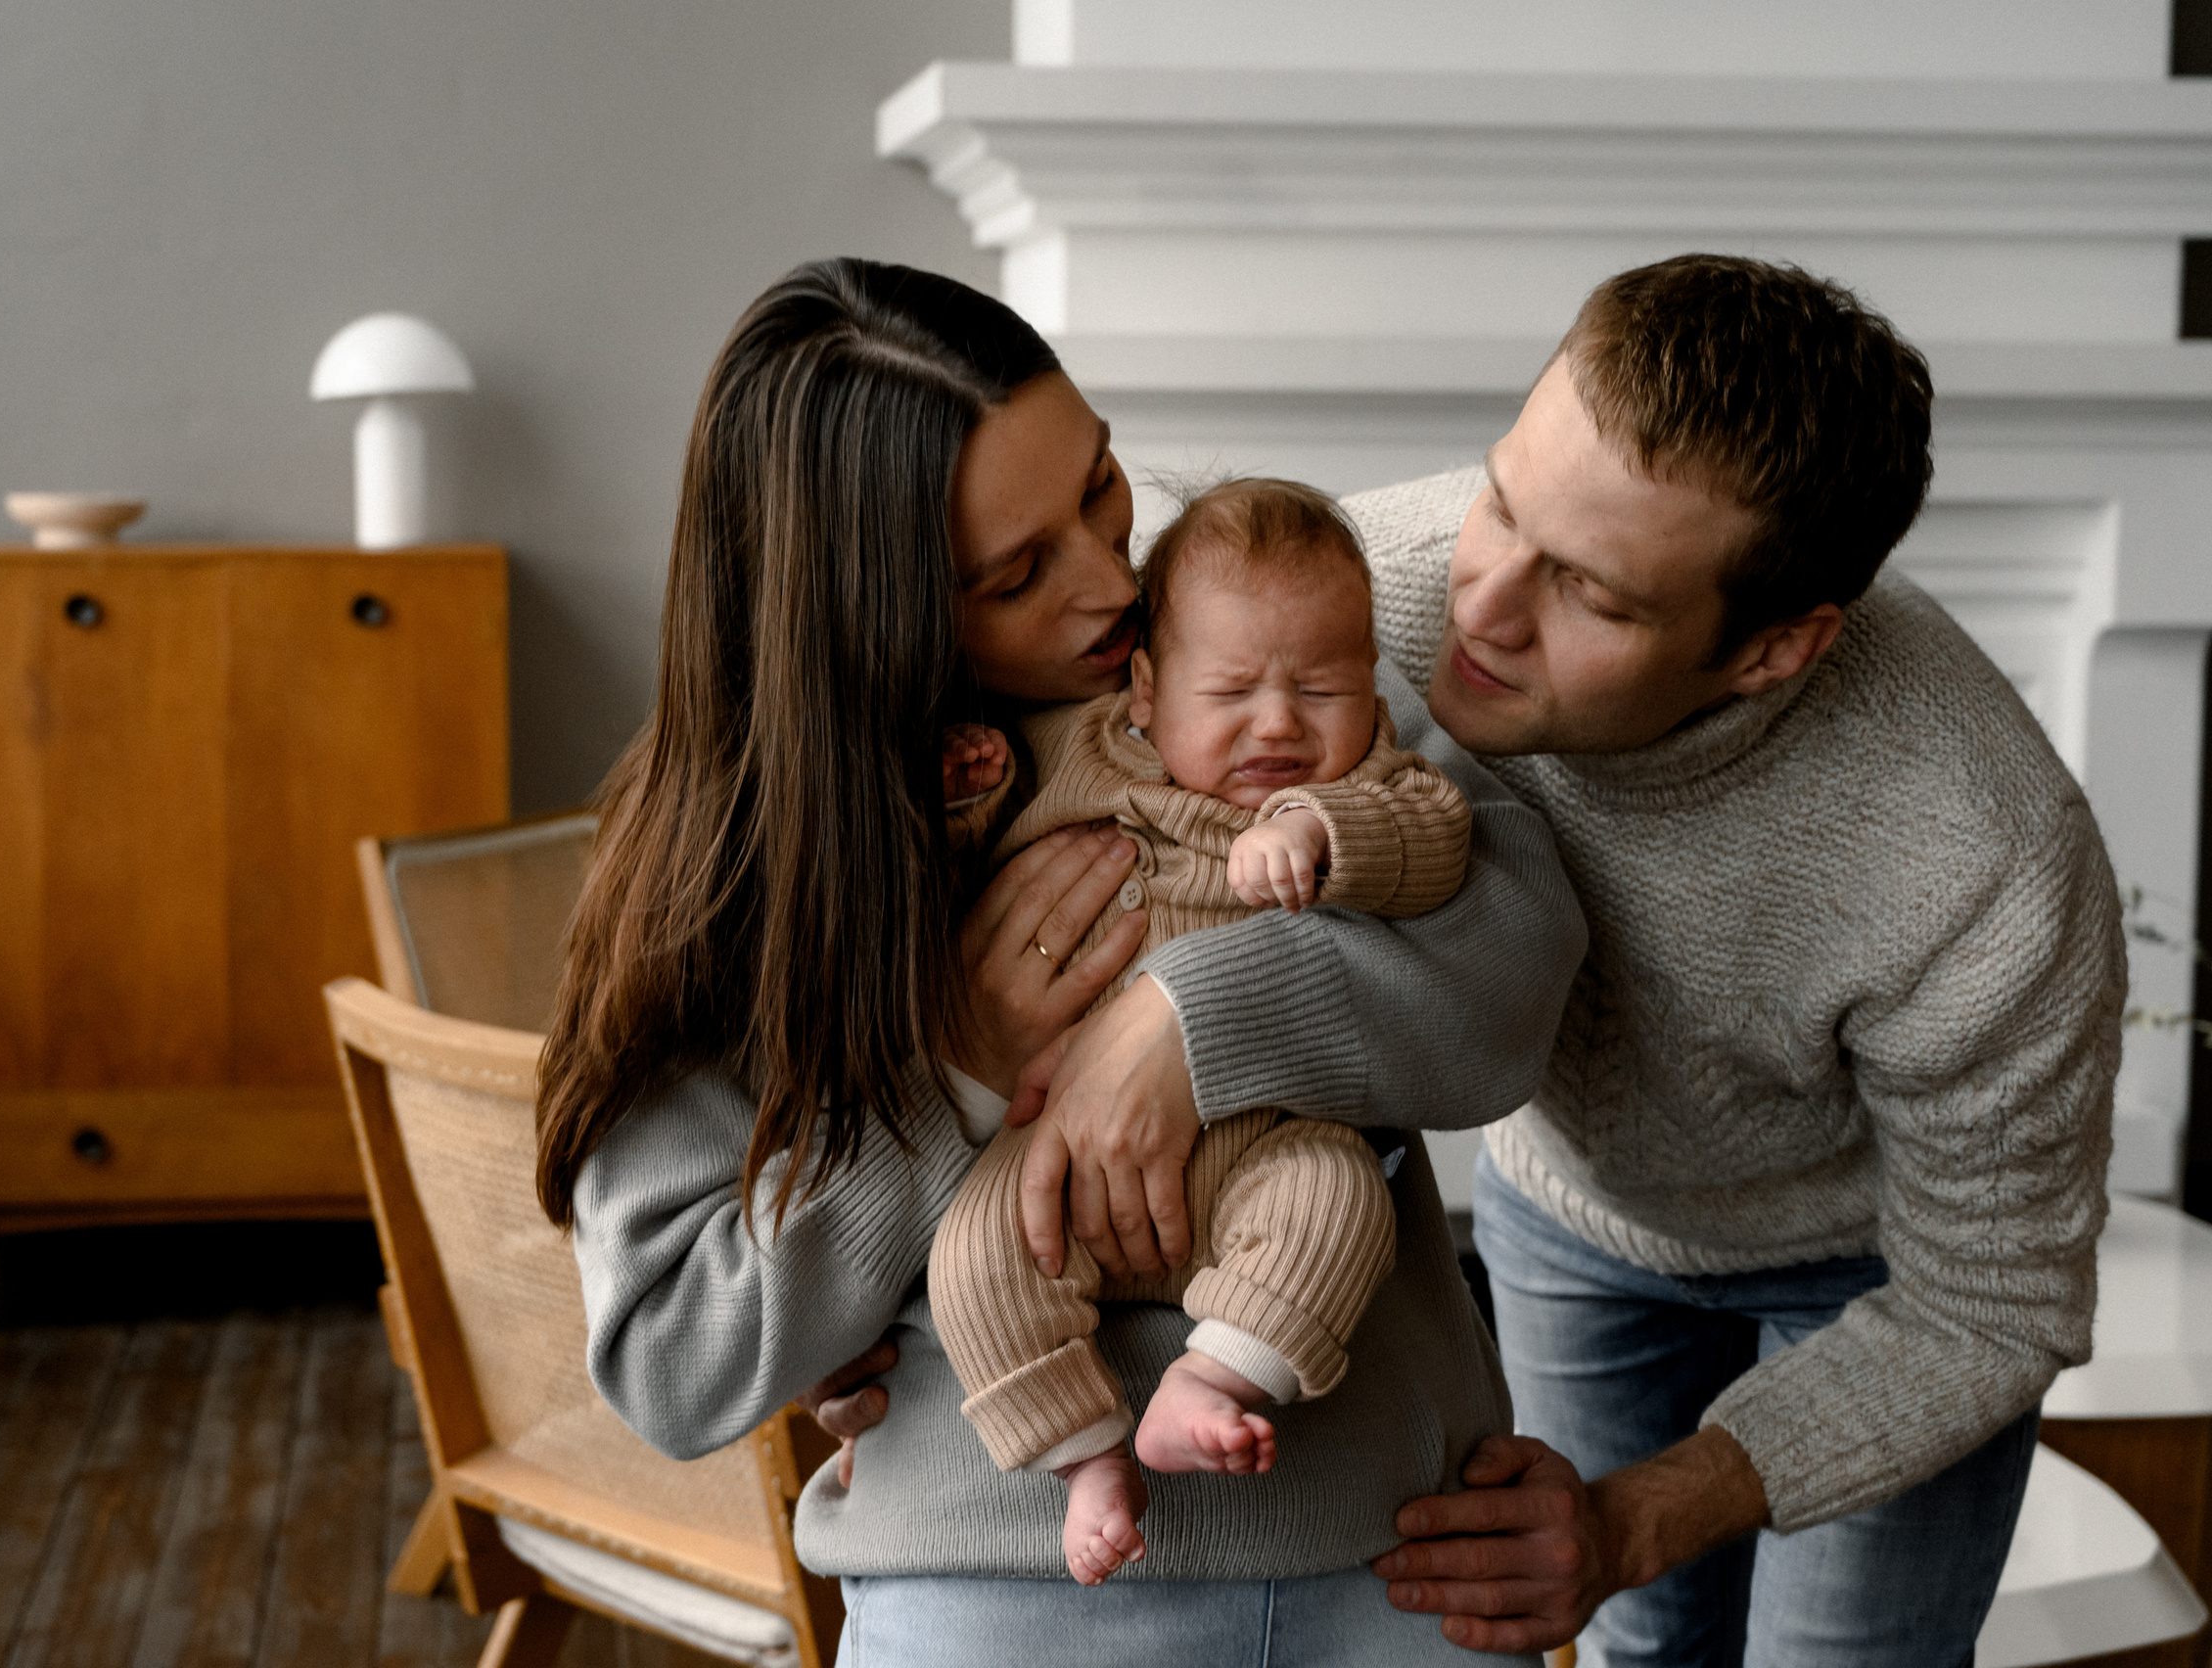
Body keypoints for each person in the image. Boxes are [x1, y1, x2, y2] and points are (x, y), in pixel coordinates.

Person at [535, 257, 1587, 1667]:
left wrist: (1182, 1019)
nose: (1112, 588)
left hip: (1396, 1562)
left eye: (1101, 487)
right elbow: (679, 1360)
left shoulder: (1267, 668)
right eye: (1019, 571)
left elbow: (1517, 984)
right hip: (1005, 1587)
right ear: (875, 612)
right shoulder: (743, 865)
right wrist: (962, 1071)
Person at [1322, 255, 2122, 1665]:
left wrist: (1636, 1520)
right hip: (1574, 1219)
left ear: (1774, 650)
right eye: (1502, 496)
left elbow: (1992, 1301)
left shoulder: (1983, 852)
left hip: (1878, 1281)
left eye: (1591, 593)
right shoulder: (1372, 588)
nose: (1484, 605)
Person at [929, 478, 1471, 1587]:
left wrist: (1325, 827)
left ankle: (1214, 1381)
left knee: (1338, 1206)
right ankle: (1085, 1459)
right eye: (1230, 691)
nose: (1278, 723)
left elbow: (1438, 835)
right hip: (1057, 1158)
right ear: (1144, 689)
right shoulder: (1077, 751)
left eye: (1321, 688)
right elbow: (958, 876)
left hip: (1264, 1145)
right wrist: (962, 804)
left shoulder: (1360, 779)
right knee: (972, 1255)